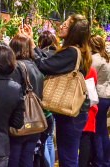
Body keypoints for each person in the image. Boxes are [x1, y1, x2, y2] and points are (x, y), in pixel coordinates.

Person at [24, 14, 92, 167]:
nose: (61, 26)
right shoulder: (78, 51)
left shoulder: (72, 52)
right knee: (68, 155)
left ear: (74, 31)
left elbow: (44, 66)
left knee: (67, 158)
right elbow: (49, 62)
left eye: (66, 25)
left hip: (71, 115)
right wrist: (33, 43)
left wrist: (31, 46)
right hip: (74, 112)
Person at [8, 34, 44, 167]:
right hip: (35, 121)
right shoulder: (36, 66)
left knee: (14, 159)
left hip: (21, 121)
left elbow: (13, 94)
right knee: (27, 159)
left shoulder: (17, 67)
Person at [34, 30, 58, 167]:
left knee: (42, 141)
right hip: (55, 102)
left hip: (42, 104)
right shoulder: (58, 56)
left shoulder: (41, 58)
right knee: (49, 139)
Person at [89, 35, 110, 166]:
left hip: (99, 96)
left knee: (97, 130)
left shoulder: (94, 59)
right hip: (107, 96)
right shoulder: (106, 58)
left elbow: (89, 75)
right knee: (103, 130)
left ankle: (99, 160)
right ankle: (105, 159)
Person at [78, 67, 98, 167]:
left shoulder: (74, 69)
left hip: (78, 107)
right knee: (85, 140)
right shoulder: (92, 69)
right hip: (90, 107)